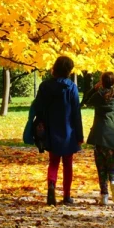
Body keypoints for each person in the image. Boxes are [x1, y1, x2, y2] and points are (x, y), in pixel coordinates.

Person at [32, 56, 83, 206]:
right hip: (68, 131)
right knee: (68, 165)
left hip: (50, 129)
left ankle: (51, 186)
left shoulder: (44, 86)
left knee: (53, 162)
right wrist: (79, 135)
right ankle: (66, 195)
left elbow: (38, 107)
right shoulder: (71, 87)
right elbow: (76, 113)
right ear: (68, 70)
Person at [82, 71, 114, 206]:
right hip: (113, 137)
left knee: (101, 166)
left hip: (99, 136)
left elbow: (85, 101)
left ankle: (104, 195)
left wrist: (94, 88)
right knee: (112, 164)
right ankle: (113, 180)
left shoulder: (98, 97)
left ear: (102, 82)